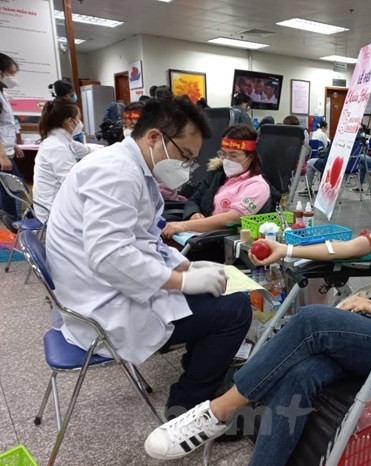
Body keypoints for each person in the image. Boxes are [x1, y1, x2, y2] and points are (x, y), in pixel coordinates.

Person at [144, 141, 371, 463]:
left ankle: (217, 412)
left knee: (311, 321)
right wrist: (285, 248)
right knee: (300, 373)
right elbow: (351, 246)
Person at [45, 96, 252, 417]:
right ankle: (188, 406)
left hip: (98, 291)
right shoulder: (117, 173)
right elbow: (112, 258)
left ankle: (200, 367)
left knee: (216, 295)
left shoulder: (127, 167)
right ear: (155, 137)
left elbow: (143, 240)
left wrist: (186, 266)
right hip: (104, 310)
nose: (187, 166)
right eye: (185, 155)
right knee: (236, 309)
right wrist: (184, 280)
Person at [162, 124, 270, 238]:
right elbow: (194, 199)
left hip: (219, 241)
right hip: (198, 234)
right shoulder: (218, 175)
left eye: (233, 156)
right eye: (223, 154)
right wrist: (194, 213)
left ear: (251, 157)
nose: (227, 160)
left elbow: (233, 218)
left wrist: (185, 226)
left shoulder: (257, 186)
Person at [33, 98, 97, 221]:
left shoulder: (59, 140)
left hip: (49, 204)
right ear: (70, 122)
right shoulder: (56, 147)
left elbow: (85, 150)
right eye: (78, 118)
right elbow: (72, 184)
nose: (80, 122)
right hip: (51, 213)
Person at [0, 53, 25, 227]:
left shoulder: (1, 93)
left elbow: (5, 125)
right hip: (2, 155)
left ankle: (10, 223)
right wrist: (2, 155)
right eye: (11, 73)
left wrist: (13, 144)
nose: (13, 78)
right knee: (13, 190)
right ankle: (13, 226)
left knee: (9, 189)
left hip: (7, 150)